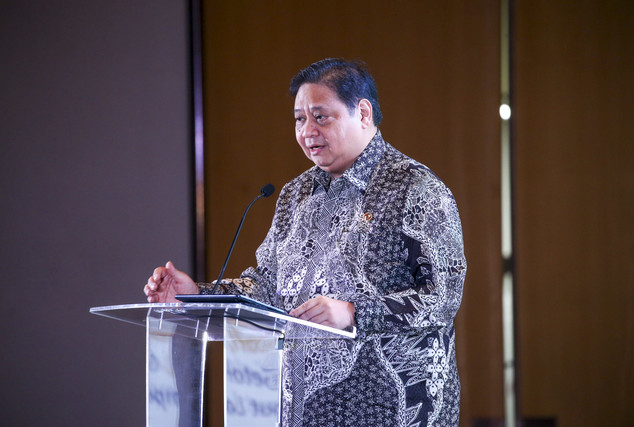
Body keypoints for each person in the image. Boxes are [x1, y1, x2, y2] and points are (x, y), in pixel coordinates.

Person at [145, 58, 466, 427]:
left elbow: (442, 297)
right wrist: (197, 294)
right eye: (299, 119)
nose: (307, 131)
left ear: (362, 113)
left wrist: (353, 313)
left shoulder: (415, 188)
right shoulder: (295, 194)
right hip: (304, 414)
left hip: (390, 411)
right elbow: (266, 284)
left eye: (320, 117)